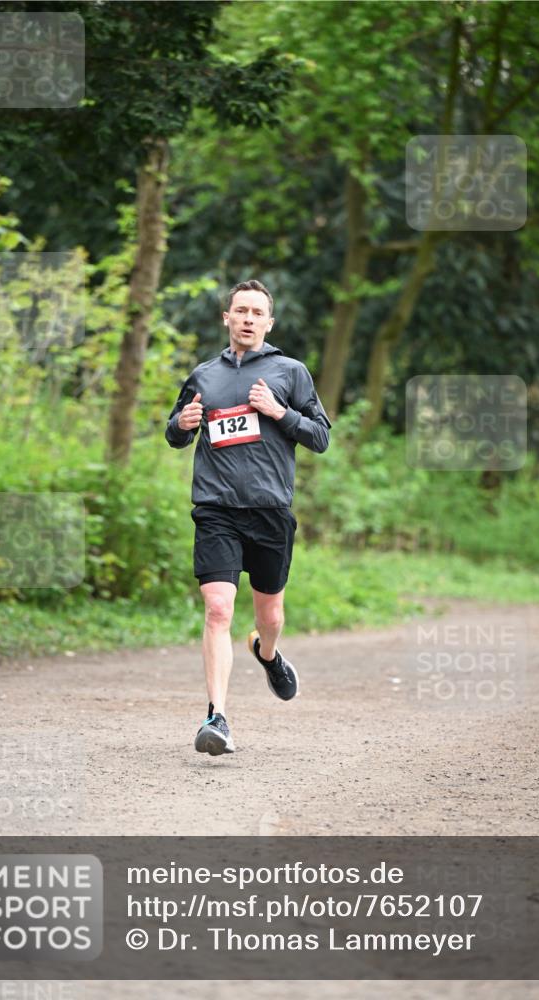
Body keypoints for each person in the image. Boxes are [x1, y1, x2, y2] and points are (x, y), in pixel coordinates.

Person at [165, 279, 331, 755]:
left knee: (270, 615)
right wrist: (180, 426)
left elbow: (320, 436)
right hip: (215, 509)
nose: (248, 319)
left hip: (269, 512)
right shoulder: (203, 375)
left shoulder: (290, 372)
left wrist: (279, 412)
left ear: (269, 322)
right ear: (227, 318)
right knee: (218, 608)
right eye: (240, 311)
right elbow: (175, 432)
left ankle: (268, 652)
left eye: (257, 312)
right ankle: (216, 717)